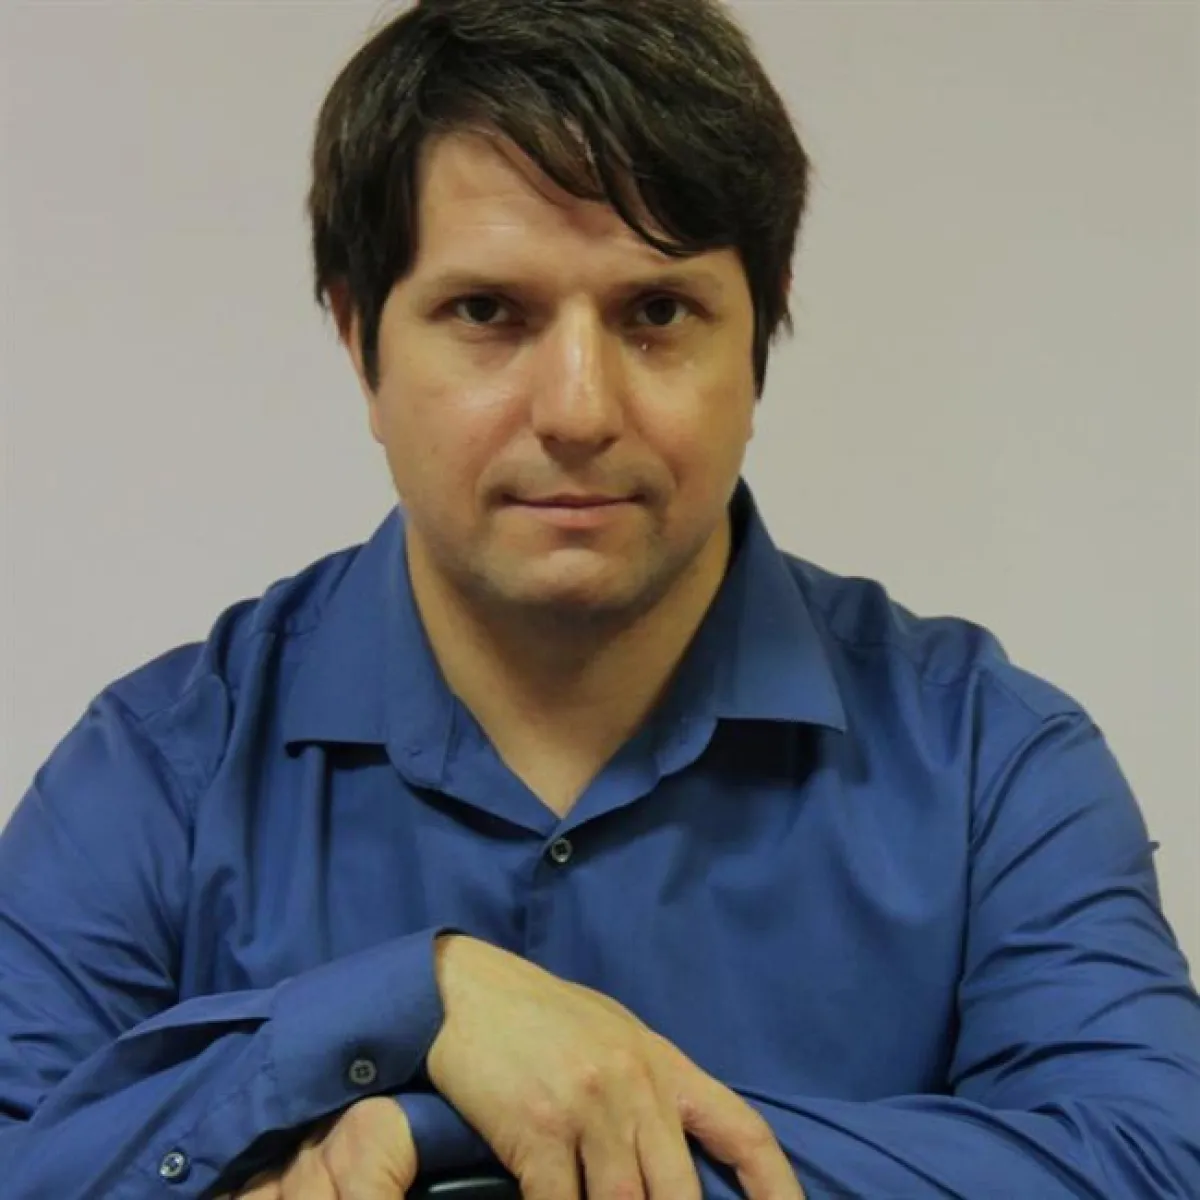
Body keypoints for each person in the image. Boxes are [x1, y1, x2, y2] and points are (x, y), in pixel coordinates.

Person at [2, 0, 1198, 1196]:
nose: (578, 410)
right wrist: (410, 1003)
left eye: (656, 313)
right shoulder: (161, 771)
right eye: (488, 313)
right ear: (361, 338)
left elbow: (1148, 1166)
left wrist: (460, 1143)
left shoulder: (991, 765)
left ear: (761, 332)